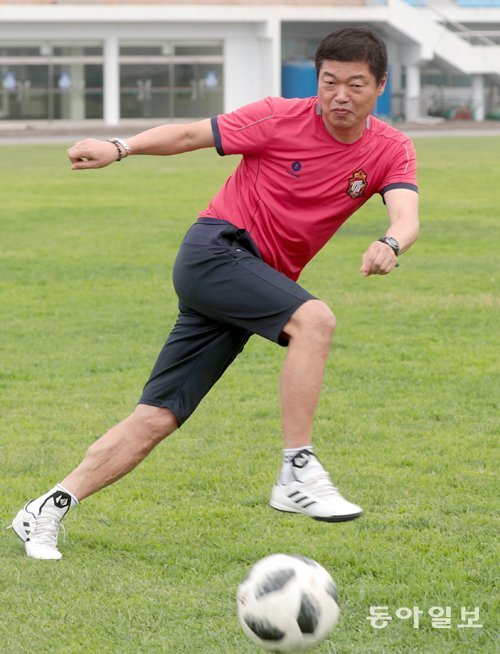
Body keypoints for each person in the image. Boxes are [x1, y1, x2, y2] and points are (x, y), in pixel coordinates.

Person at [10, 27, 419, 560]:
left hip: (251, 282)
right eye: (329, 82)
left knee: (158, 417)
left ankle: (47, 508)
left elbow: (406, 216)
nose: (340, 96)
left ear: (380, 86)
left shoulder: (390, 148)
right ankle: (297, 470)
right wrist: (119, 147)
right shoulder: (278, 116)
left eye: (356, 85)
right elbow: (186, 137)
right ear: (316, 81)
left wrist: (390, 242)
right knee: (314, 321)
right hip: (216, 251)